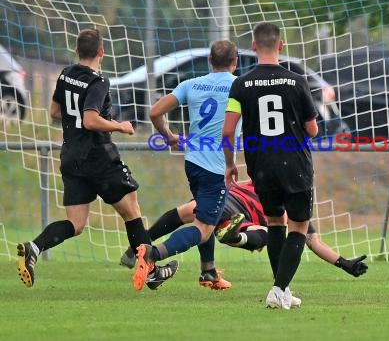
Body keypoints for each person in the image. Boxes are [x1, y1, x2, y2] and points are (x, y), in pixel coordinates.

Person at [16, 28, 177, 290]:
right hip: (99, 158)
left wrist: (75, 121)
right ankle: (150, 272)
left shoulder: (66, 73)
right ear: (101, 52)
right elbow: (91, 120)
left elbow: (55, 111)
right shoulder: (98, 81)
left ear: (77, 51)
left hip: (72, 156)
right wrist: (119, 126)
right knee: (132, 210)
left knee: (76, 224)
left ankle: (34, 247)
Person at [222, 22, 319, 309]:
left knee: (275, 222)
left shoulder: (241, 84)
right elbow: (312, 129)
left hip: (260, 164)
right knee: (298, 226)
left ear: (253, 46)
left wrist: (230, 163)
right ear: (281, 45)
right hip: (294, 164)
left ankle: (283, 291)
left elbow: (228, 131)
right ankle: (278, 288)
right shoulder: (297, 80)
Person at [132, 40, 239, 291]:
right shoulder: (238, 86)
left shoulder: (191, 84)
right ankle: (152, 253)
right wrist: (231, 163)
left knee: (205, 214)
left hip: (192, 162)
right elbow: (229, 132)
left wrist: (169, 136)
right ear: (235, 63)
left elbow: (155, 112)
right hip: (215, 166)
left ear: (210, 62)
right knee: (202, 228)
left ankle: (209, 272)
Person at [119, 181, 369, 278]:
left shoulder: (264, 176)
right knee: (273, 233)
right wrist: (344, 264)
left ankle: (140, 245)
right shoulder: (293, 210)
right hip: (244, 218)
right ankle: (234, 237)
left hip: (227, 199)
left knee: (190, 211)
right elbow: (313, 242)